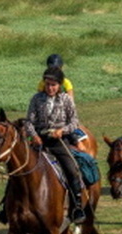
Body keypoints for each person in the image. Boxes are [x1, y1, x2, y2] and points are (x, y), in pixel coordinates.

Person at [25, 66, 87, 224]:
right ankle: (5, 206)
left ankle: (77, 207)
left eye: (53, 85)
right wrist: (34, 136)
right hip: (40, 141)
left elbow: (74, 122)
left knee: (72, 169)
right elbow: (29, 122)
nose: (50, 88)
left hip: (59, 141)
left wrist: (62, 130)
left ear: (59, 85)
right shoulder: (36, 99)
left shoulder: (66, 99)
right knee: (19, 167)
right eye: (47, 84)